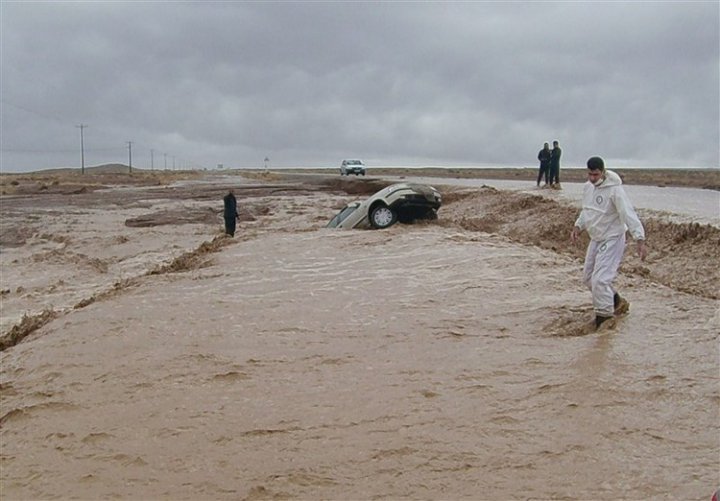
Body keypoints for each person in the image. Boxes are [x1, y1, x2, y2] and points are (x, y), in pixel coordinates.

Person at [571, 156, 647, 329]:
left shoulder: (615, 191)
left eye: (596, 175)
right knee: (588, 278)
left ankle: (604, 318)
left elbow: (628, 214)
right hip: (596, 237)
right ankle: (616, 301)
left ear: (603, 172)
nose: (592, 178)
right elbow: (587, 210)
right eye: (590, 174)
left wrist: (640, 239)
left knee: (600, 280)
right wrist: (578, 226)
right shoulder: (587, 188)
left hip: (613, 238)